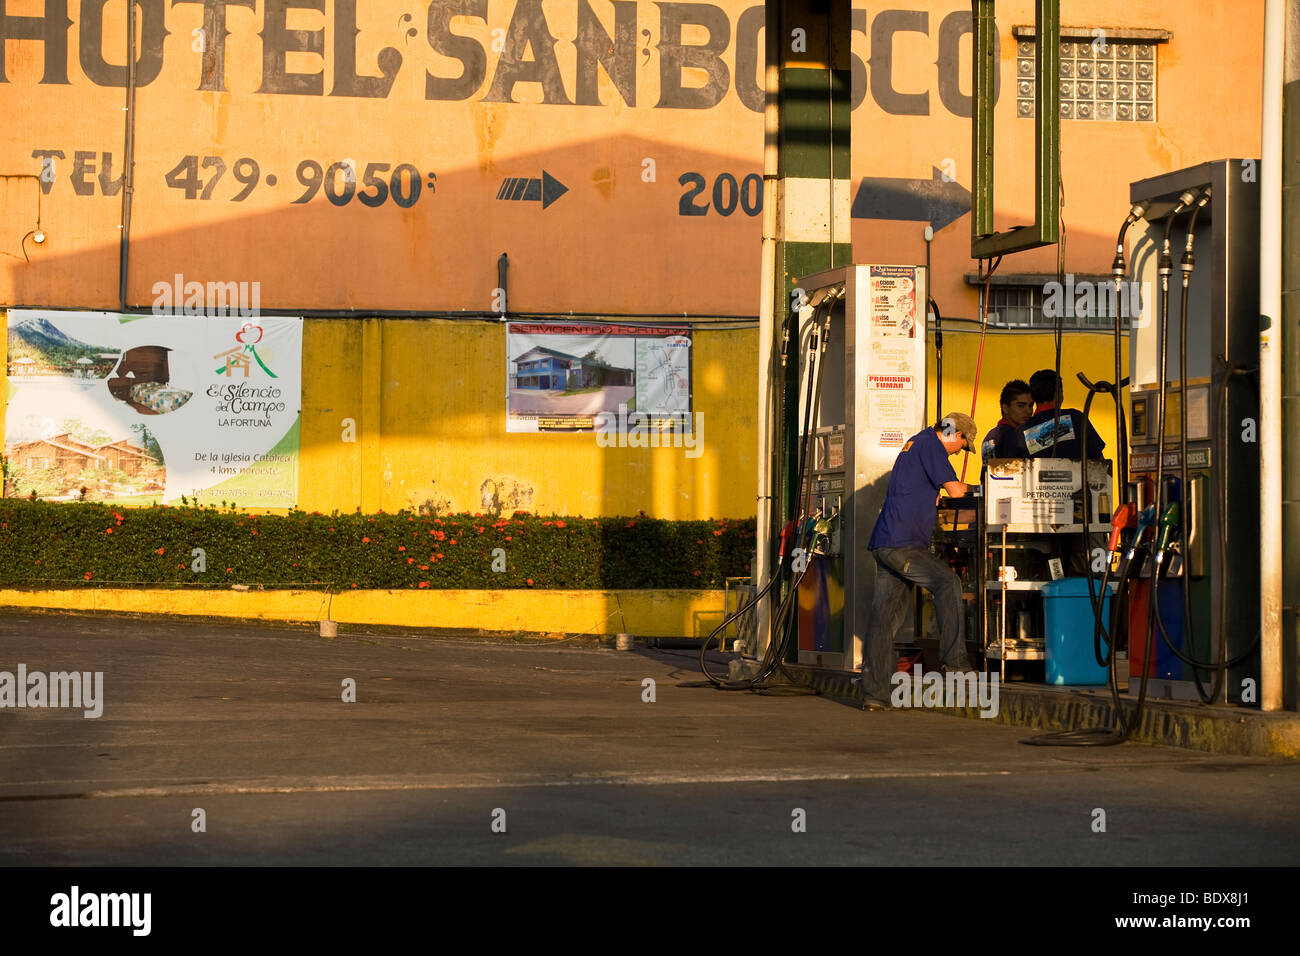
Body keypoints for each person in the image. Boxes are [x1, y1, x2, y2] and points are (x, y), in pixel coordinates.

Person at [858, 412, 979, 711]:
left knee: (883, 621)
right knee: (948, 582)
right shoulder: (931, 445)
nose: (958, 452)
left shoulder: (917, 443)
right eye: (962, 446)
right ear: (954, 433)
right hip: (903, 544)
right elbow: (955, 490)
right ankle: (956, 664)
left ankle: (875, 695)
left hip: (887, 541)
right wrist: (989, 488)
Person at [1020, 369, 1106, 460]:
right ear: (1059, 393)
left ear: (1032, 397)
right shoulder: (1077, 418)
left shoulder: (1021, 433)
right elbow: (1101, 463)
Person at [980, 379, 1033, 466]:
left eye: (1031, 406)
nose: (1028, 411)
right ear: (1005, 408)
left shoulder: (991, 435)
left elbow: (985, 475)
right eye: (1020, 406)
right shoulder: (1014, 436)